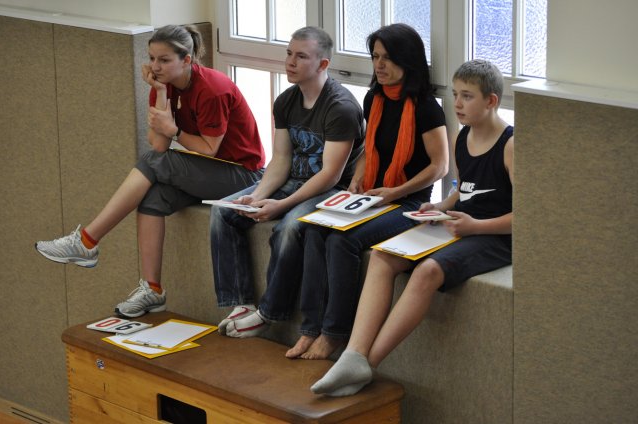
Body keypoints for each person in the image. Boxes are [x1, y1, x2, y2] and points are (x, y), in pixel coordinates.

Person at [311, 59, 514, 396]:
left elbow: (527, 218)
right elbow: (465, 191)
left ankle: (367, 364)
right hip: (461, 224)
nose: (457, 104)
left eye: (467, 96)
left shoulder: (511, 146)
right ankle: (353, 355)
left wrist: (477, 226)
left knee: (427, 271)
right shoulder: (462, 137)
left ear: (491, 101)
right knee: (382, 256)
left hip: (494, 235)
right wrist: (439, 207)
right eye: (455, 94)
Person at [35, 25, 265, 318]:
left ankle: (87, 241)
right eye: (152, 58)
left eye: (164, 60)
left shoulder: (213, 89)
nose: (155, 67)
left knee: (156, 163)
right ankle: (152, 290)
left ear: (186, 59)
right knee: (153, 197)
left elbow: (209, 149)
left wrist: (175, 130)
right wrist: (159, 92)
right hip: (211, 172)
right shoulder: (164, 86)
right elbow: (159, 145)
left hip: (244, 176)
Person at [286, 23, 449, 360]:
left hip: (408, 203)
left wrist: (395, 192)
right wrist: (358, 178)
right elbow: (369, 149)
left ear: (408, 60)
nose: (379, 65)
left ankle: (334, 334)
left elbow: (440, 166)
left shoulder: (426, 107)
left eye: (388, 58)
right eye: (375, 57)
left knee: (342, 241)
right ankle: (311, 328)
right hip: (373, 195)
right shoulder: (374, 98)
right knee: (314, 230)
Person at [210, 26, 365, 339]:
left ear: (322, 64)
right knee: (223, 212)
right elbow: (280, 160)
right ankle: (240, 302)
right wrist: (258, 196)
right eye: (289, 53)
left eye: (301, 56)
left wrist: (281, 205)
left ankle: (269, 313)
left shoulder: (341, 108)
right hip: (294, 179)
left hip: (332, 190)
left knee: (290, 228)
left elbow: (331, 175)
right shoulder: (285, 101)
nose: (290, 62)